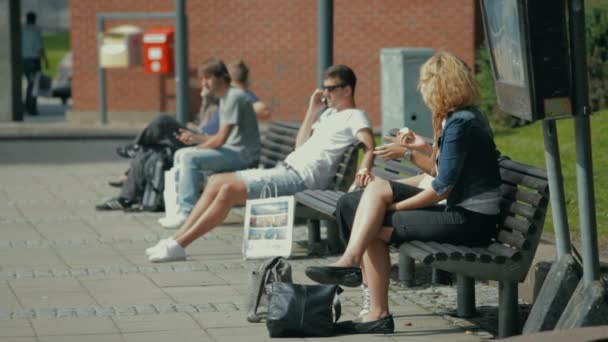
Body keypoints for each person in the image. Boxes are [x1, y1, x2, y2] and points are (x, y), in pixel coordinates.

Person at [304, 51, 502, 334]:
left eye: (425, 82)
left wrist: (395, 209)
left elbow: (441, 187)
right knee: (375, 190)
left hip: (470, 222)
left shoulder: (461, 123)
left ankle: (373, 305)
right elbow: (440, 172)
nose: (421, 89)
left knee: (374, 222)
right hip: (463, 214)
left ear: (439, 84)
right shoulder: (460, 118)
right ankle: (353, 269)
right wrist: (417, 150)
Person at [145, 64, 376, 263]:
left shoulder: (355, 116)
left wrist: (365, 167)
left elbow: (368, 143)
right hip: (285, 170)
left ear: (347, 89)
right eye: (324, 87)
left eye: (331, 88)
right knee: (215, 181)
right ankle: (175, 240)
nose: (325, 92)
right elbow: (300, 145)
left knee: (227, 190)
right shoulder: (327, 115)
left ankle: (179, 245)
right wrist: (312, 110)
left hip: (300, 180)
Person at [97, 58, 261, 212]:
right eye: (203, 79)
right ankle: (171, 206)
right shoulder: (225, 97)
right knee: (165, 150)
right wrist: (196, 139)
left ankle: (186, 210)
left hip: (242, 156)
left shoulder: (234, 97)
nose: (204, 83)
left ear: (221, 77)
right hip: (231, 149)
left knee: (184, 151)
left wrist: (197, 148)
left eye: (208, 78)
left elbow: (221, 139)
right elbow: (221, 137)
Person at [22, 11, 49, 116]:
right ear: (35, 19)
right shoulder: (35, 30)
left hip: (22, 60)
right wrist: (46, 60)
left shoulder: (21, 29)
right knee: (33, 85)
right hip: (33, 61)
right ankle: (31, 107)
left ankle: (26, 105)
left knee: (29, 84)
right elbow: (39, 48)